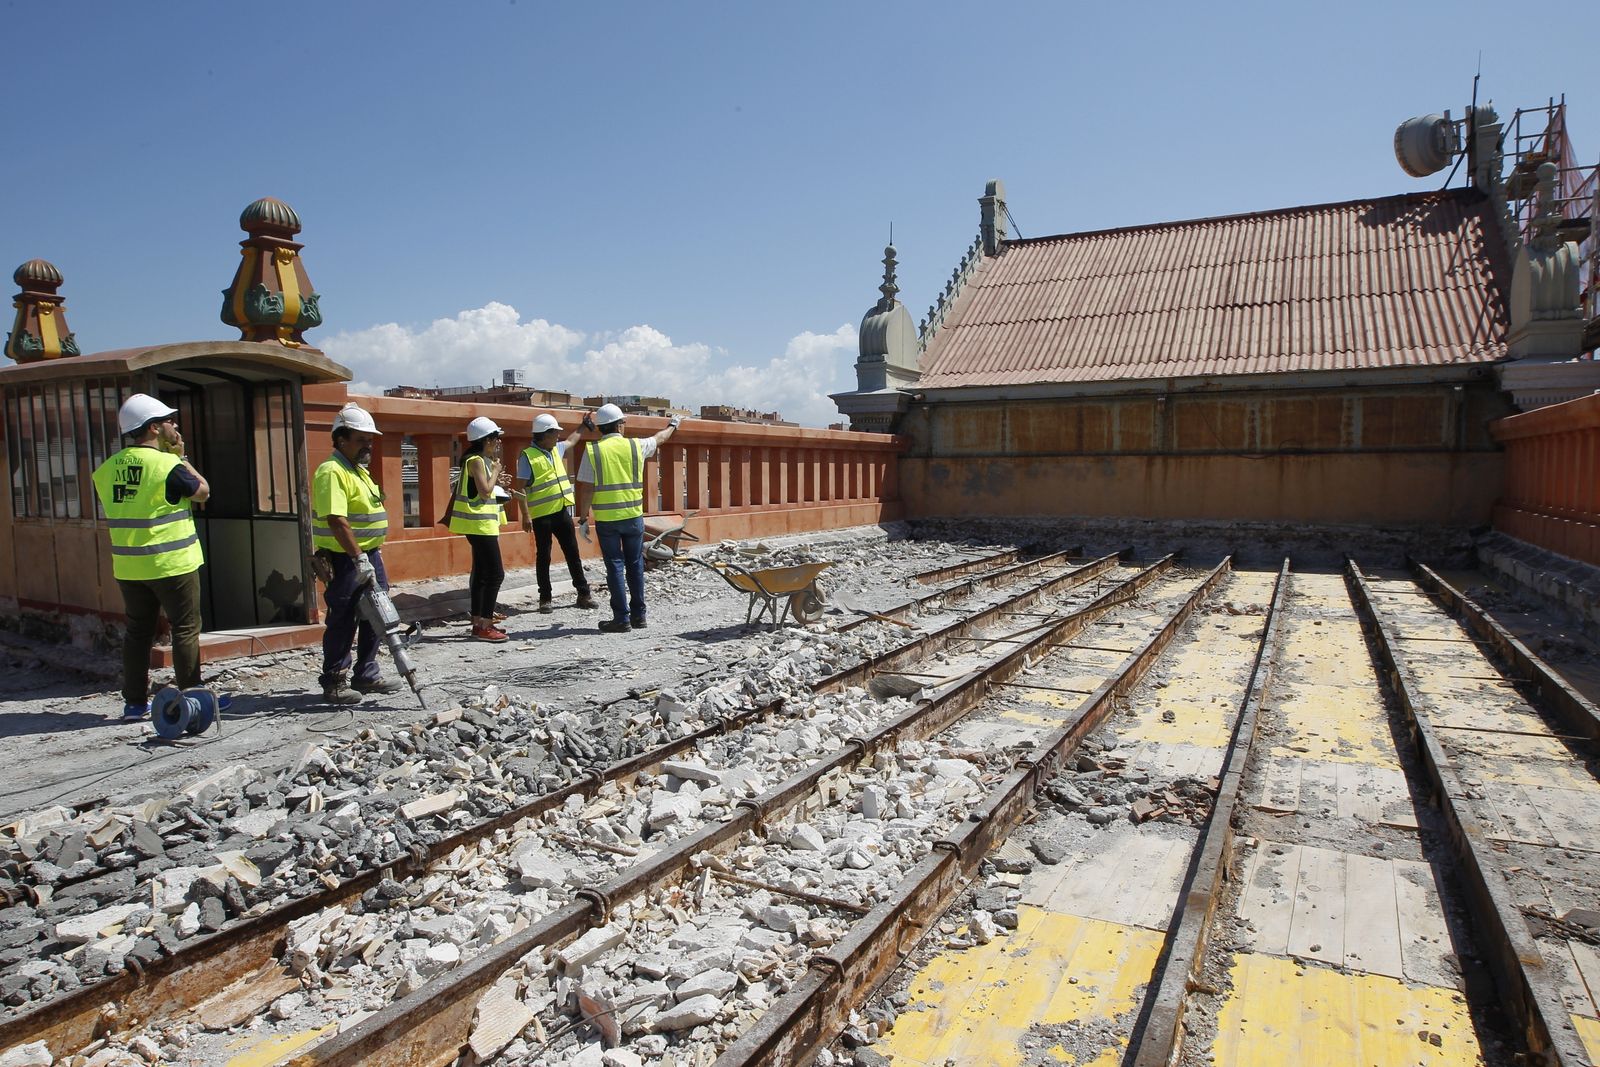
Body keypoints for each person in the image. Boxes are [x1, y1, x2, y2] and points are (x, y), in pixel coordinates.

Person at [91, 394, 211, 720]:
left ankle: (133, 702)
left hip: (129, 566)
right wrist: (182, 456)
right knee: (185, 628)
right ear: (155, 428)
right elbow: (203, 491)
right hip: (172, 562)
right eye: (170, 421)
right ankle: (194, 698)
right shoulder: (167, 465)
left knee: (137, 632)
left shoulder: (106, 470)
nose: (175, 426)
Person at [311, 403, 404, 704]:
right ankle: (335, 680)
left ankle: (366, 673)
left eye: (370, 440)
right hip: (346, 558)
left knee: (376, 614)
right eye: (361, 439)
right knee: (343, 617)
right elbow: (337, 520)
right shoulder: (332, 471)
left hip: (368, 554)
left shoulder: (358, 471)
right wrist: (358, 558)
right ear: (341, 439)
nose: (368, 446)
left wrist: (368, 556)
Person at [573, 403, 681, 633]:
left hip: (607, 520)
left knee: (614, 566)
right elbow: (660, 438)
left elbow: (586, 489)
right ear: (620, 425)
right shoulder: (635, 446)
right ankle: (639, 616)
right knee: (635, 565)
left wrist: (583, 519)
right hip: (633, 517)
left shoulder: (593, 451)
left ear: (601, 428)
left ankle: (621, 618)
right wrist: (674, 424)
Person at [516, 413, 597, 614]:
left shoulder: (555, 450)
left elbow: (571, 440)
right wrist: (525, 515)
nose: (558, 437)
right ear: (544, 435)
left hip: (561, 512)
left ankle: (583, 594)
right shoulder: (528, 457)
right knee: (544, 556)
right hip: (541, 515)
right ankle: (545, 598)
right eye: (555, 434)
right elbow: (520, 489)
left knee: (572, 553)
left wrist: (583, 427)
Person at [447, 416, 509, 642]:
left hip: (480, 524)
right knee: (495, 574)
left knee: (482, 575)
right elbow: (484, 491)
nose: (497, 443)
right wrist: (495, 471)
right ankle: (485, 624)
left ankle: (478, 622)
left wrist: (496, 477)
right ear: (487, 440)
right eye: (495, 439)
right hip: (479, 525)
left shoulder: (476, 460)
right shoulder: (476, 460)